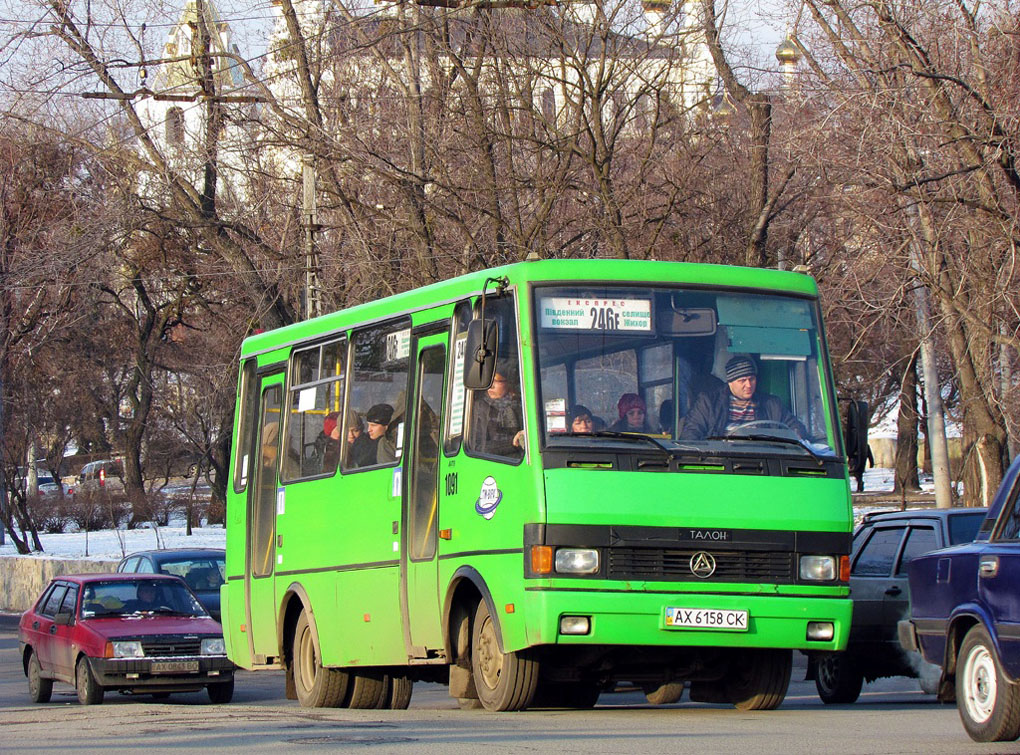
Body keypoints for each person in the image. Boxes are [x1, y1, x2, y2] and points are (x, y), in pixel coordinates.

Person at [681, 355, 806, 440]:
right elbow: (691, 433)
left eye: (752, 379)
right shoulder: (708, 402)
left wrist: (797, 434)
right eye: (742, 381)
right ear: (730, 383)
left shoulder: (772, 404)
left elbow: (795, 426)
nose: (749, 385)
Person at [471, 361, 525, 457]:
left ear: (509, 383)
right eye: (488, 380)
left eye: (497, 381)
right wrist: (514, 442)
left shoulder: (522, 405)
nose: (491, 385)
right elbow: (478, 448)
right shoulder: (479, 408)